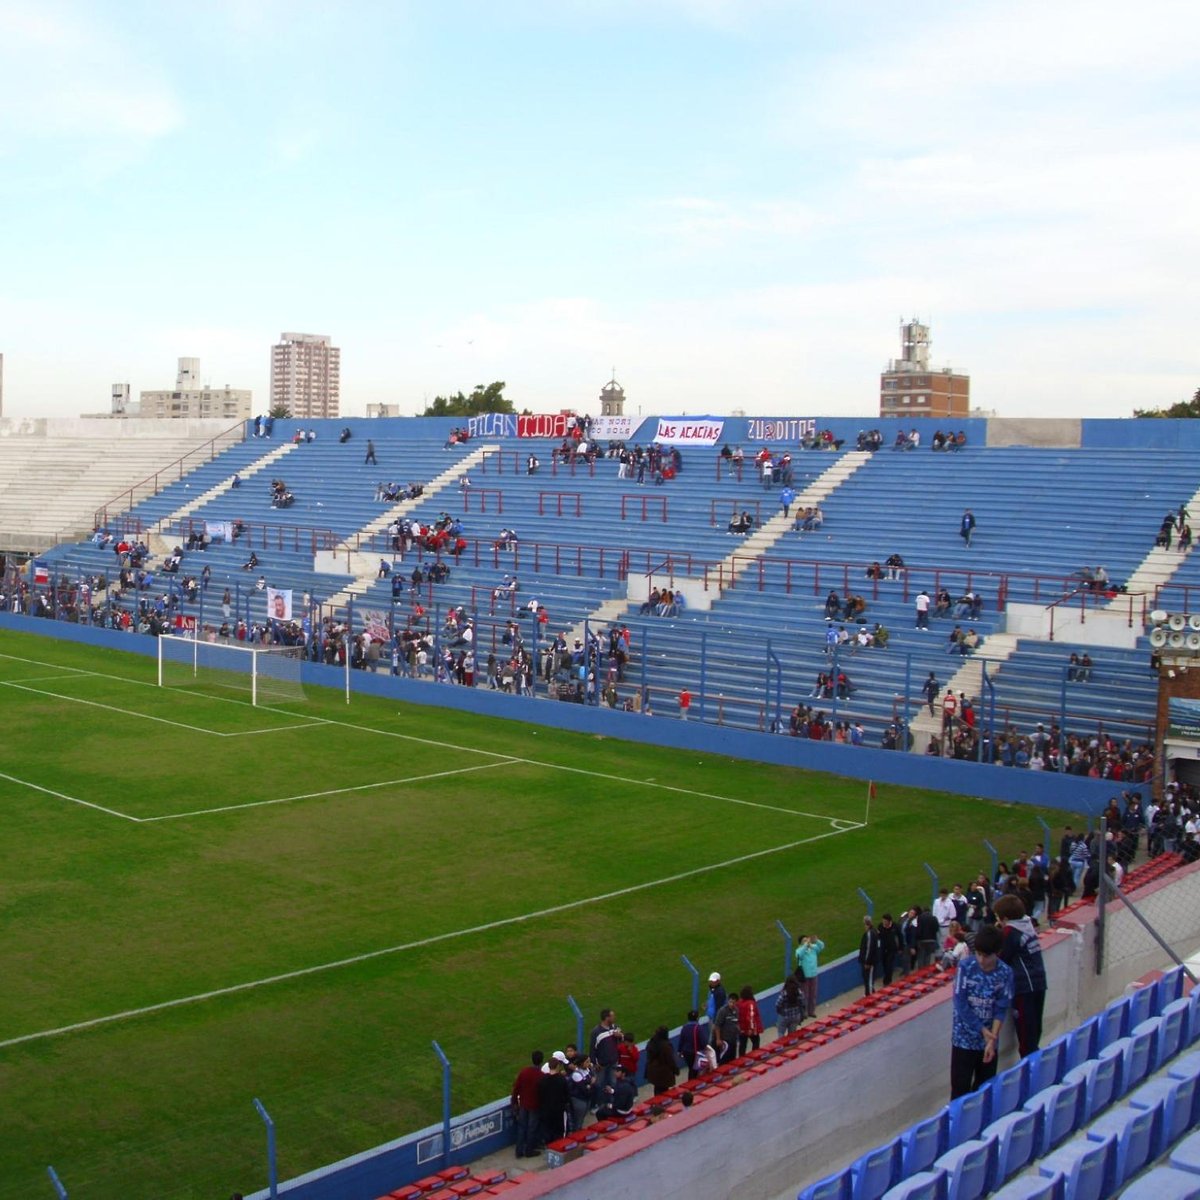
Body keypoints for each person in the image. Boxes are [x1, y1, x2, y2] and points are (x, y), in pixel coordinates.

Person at [950, 924, 1013, 1099]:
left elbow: (1001, 1008)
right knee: (959, 1091)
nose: (982, 960)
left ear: (997, 952)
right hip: (964, 1040)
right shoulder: (965, 967)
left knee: (985, 1091)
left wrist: (992, 1038)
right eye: (978, 954)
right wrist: (982, 1030)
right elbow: (960, 1003)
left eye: (987, 956)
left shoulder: (1005, 973)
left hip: (988, 1042)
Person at [993, 895, 1047, 1058]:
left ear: (1006, 918)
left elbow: (1002, 957)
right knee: (1035, 1028)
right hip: (1039, 981)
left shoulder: (1010, 931)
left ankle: (1029, 1069)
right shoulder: (1027, 924)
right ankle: (1035, 1061)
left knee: (1026, 1033)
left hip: (1024, 986)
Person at [510, 1051, 544, 1157]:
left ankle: (519, 1151)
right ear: (541, 1061)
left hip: (524, 1104)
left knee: (522, 1127)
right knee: (532, 1128)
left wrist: (514, 1101)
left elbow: (516, 1088)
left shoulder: (524, 1072)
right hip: (535, 1106)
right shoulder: (541, 1076)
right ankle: (529, 1150)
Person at [588, 1008, 621, 1093]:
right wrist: (595, 1063)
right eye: (612, 1016)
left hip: (613, 1062)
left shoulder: (615, 1027)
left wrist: (620, 1036)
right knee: (600, 1085)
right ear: (607, 1018)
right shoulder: (596, 1032)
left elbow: (622, 1039)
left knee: (614, 1083)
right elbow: (592, 1049)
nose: (614, 1017)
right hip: (601, 1065)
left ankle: (614, 1102)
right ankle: (601, 1104)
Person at [795, 934, 824, 1018]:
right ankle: (804, 1012)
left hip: (814, 974)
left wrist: (817, 940)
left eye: (806, 940)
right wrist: (805, 946)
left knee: (813, 994)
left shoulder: (813, 948)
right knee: (805, 995)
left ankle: (811, 1011)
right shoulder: (799, 950)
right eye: (804, 941)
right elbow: (799, 955)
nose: (806, 942)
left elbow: (821, 946)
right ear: (801, 943)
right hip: (805, 976)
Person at [644, 1026, 679, 1095]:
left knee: (657, 1088)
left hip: (653, 1071)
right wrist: (676, 1070)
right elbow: (670, 1060)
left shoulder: (651, 1043)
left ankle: (657, 1103)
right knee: (663, 1091)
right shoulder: (666, 1046)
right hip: (663, 1073)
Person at [736, 985, 764, 1056]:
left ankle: (741, 1060)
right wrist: (751, 1029)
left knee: (742, 1045)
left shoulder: (739, 1003)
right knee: (756, 1042)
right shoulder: (751, 1003)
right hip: (750, 1028)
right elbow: (750, 1017)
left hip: (742, 1028)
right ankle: (754, 1057)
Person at [857, 915, 879, 996]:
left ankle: (870, 998)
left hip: (869, 962)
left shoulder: (870, 933)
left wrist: (867, 962)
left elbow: (869, 949)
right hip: (869, 961)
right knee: (868, 980)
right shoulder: (873, 931)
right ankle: (869, 994)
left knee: (869, 980)